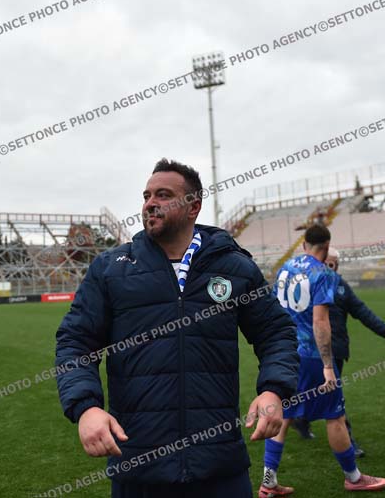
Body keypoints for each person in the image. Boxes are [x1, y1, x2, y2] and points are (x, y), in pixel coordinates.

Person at [55, 159, 298, 498]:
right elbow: (76, 342)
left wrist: (274, 389)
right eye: (146, 195)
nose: (150, 203)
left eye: (163, 195)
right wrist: (86, 408)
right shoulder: (111, 269)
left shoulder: (235, 267)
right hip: (139, 464)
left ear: (193, 206)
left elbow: (276, 333)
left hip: (219, 462)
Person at [260, 225, 385, 497]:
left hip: (285, 352)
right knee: (335, 416)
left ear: (304, 244)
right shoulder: (323, 273)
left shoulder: (285, 268)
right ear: (327, 247)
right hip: (311, 356)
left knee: (284, 415)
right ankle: (354, 478)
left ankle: (268, 482)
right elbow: (320, 321)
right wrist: (328, 366)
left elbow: (273, 308)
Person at [293, 248, 385, 457]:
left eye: (333, 262)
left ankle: (301, 420)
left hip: (337, 349)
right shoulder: (306, 283)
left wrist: (383, 329)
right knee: (333, 396)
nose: (330, 265)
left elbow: (360, 309)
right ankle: (347, 443)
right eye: (327, 261)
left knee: (321, 391)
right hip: (312, 350)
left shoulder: (341, 286)